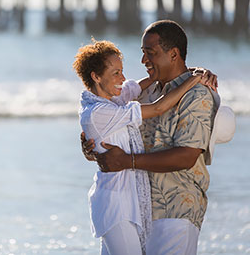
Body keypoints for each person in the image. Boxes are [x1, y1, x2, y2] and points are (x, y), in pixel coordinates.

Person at [82, 20, 222, 255]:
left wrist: (127, 161)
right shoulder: (146, 93)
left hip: (176, 210)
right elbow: (115, 134)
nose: (144, 61)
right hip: (137, 211)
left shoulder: (197, 94)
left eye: (151, 53)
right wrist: (92, 147)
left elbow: (186, 156)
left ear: (174, 54)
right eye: (143, 53)